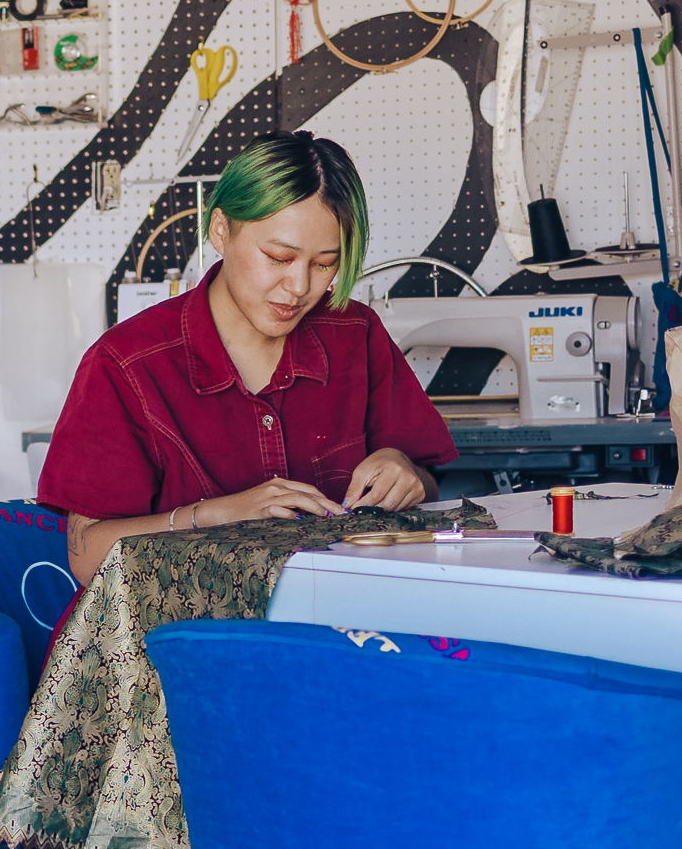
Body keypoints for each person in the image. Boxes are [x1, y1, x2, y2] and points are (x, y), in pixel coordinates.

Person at [36, 132, 455, 582]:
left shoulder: (356, 334)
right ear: (221, 230)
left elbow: (427, 483)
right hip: (177, 639)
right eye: (278, 257)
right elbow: (86, 556)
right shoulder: (125, 365)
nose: (298, 288)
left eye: (323, 264)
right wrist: (220, 514)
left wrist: (403, 470)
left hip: (330, 624)